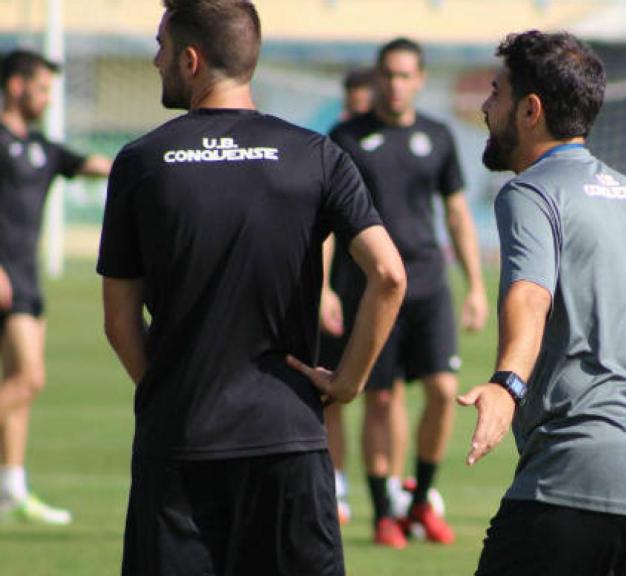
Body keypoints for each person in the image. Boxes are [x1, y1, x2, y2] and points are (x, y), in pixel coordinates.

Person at [98, 1, 405, 574]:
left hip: (180, 442)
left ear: (191, 60)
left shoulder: (141, 162)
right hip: (287, 436)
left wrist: (174, 389)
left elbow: (119, 323)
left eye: (161, 46)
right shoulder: (317, 156)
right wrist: (347, 384)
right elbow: (389, 275)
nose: (155, 58)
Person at [460, 30, 626, 576]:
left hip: (575, 483)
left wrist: (507, 384)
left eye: (497, 93)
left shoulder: (531, 193)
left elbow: (531, 296)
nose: (487, 107)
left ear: (531, 110)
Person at [326, 37, 488, 548]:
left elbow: (458, 214)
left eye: (405, 75)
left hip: (430, 286)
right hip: (371, 290)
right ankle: (383, 513)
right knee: (381, 398)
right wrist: (324, 291)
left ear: (419, 80)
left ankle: (420, 502)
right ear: (377, 79)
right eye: (388, 75)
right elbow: (327, 223)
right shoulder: (347, 137)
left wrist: (476, 287)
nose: (395, 85)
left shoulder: (437, 137)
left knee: (443, 392)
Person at [0, 49, 111, 525]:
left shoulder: (43, 148)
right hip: (5, 279)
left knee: (19, 386)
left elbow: (97, 164)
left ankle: (11, 490)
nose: (48, 97)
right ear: (16, 85)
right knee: (30, 377)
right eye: (42, 88)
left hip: (27, 280)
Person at [320, 66, 376, 527]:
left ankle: (393, 490)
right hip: (344, 286)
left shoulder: (413, 138)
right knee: (332, 390)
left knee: (386, 394)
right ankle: (335, 486)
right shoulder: (336, 143)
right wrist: (322, 289)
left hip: (384, 285)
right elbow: (323, 224)